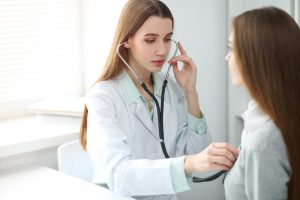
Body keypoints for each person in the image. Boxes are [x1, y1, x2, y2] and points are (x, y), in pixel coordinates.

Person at [80, 0, 238, 199]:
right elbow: (119, 175)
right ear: (127, 40)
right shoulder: (103, 97)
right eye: (150, 40)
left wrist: (190, 92)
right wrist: (189, 163)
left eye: (167, 39)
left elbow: (195, 152)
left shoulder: (170, 87)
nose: (162, 50)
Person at [224, 6, 300, 200]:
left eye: (232, 48)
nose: (227, 57)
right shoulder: (264, 120)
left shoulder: (264, 141)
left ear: (255, 57)